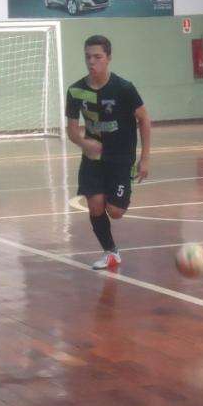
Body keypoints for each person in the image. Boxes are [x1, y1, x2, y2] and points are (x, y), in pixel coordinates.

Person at [66, 35, 151, 270]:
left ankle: (121, 199)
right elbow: (72, 131)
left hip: (121, 158)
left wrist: (144, 158)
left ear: (109, 58)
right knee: (95, 205)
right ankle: (110, 252)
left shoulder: (124, 88)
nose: (91, 62)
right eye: (88, 57)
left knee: (115, 211)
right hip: (93, 159)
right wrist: (85, 144)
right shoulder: (76, 91)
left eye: (97, 57)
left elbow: (144, 120)